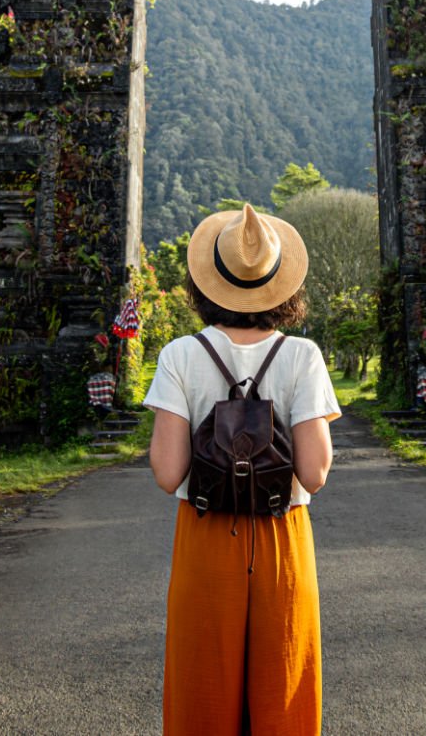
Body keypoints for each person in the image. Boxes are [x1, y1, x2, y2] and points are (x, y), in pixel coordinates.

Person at [145, 203, 341, 736]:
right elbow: (315, 472)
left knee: (201, 693)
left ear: (208, 283)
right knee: (285, 691)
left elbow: (168, 474)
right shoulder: (302, 356)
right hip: (282, 536)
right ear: (281, 285)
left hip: (206, 533)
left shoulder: (180, 356)